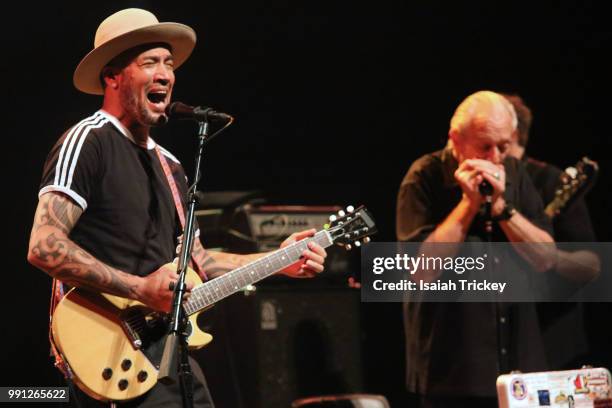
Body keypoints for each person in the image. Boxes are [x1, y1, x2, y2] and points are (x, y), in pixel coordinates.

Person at [27, 8, 327, 408]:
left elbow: (199, 262)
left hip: (168, 349)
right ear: (113, 76)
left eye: (169, 64)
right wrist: (141, 290)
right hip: (112, 346)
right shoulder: (88, 140)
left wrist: (278, 259)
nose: (165, 74)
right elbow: (43, 246)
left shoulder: (171, 166)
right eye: (149, 62)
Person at [396, 90, 555, 407]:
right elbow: (418, 271)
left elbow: (547, 258)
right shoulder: (424, 177)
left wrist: (502, 209)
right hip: (453, 371)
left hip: (520, 370)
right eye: (485, 146)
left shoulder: (516, 174)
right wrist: (468, 206)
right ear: (455, 138)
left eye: (503, 146)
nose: (496, 157)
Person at [503, 93, 599, 368]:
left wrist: (544, 253)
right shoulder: (480, 183)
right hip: (500, 339)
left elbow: (592, 265)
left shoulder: (550, 180)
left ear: (511, 132)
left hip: (552, 343)